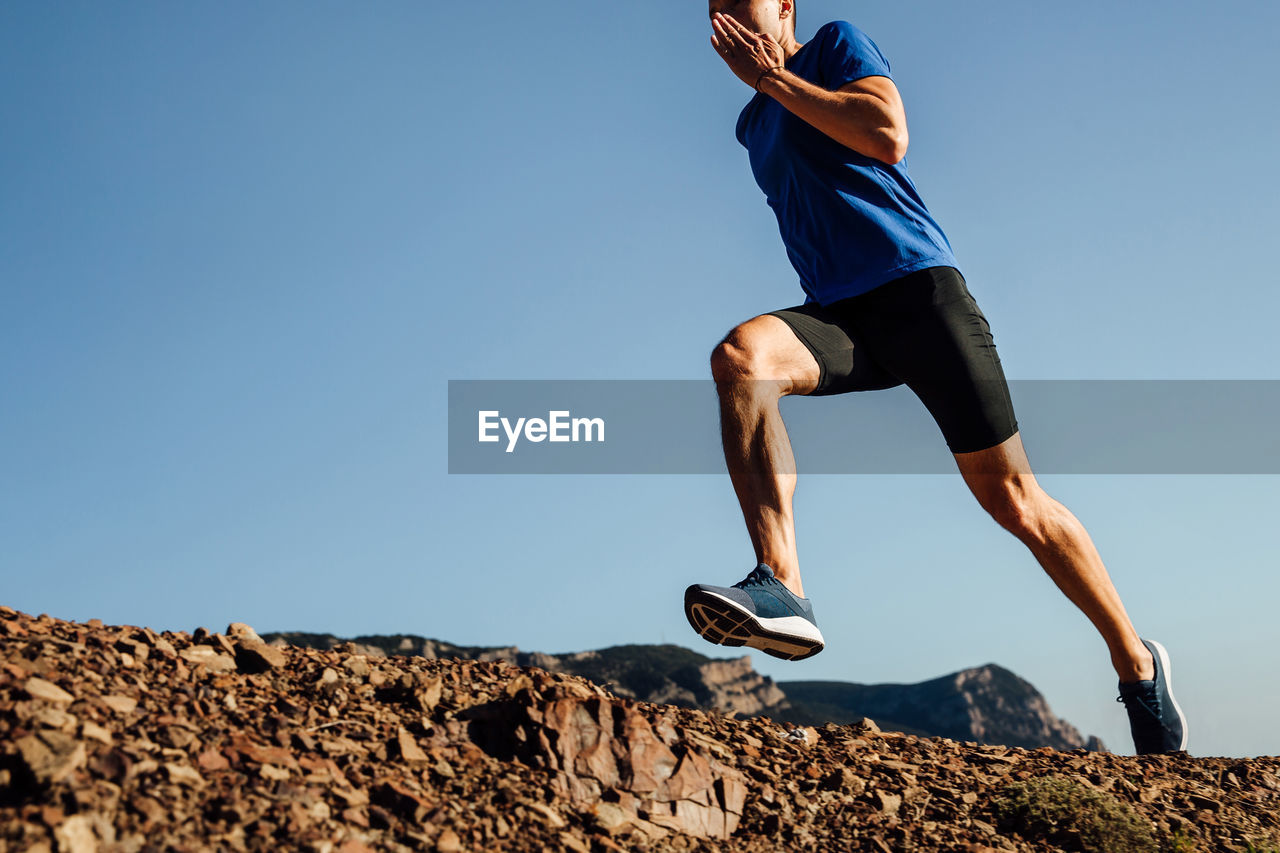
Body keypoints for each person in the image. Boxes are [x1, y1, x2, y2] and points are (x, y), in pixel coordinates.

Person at [682, 0, 1188, 756]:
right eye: (712, 2)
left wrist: (778, 80)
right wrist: (767, 92)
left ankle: (1136, 661)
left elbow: (887, 137)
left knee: (1015, 501)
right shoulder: (751, 124)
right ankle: (781, 583)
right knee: (741, 358)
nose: (724, 9)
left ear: (784, 5)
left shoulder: (834, 47)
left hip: (921, 296)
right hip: (844, 319)